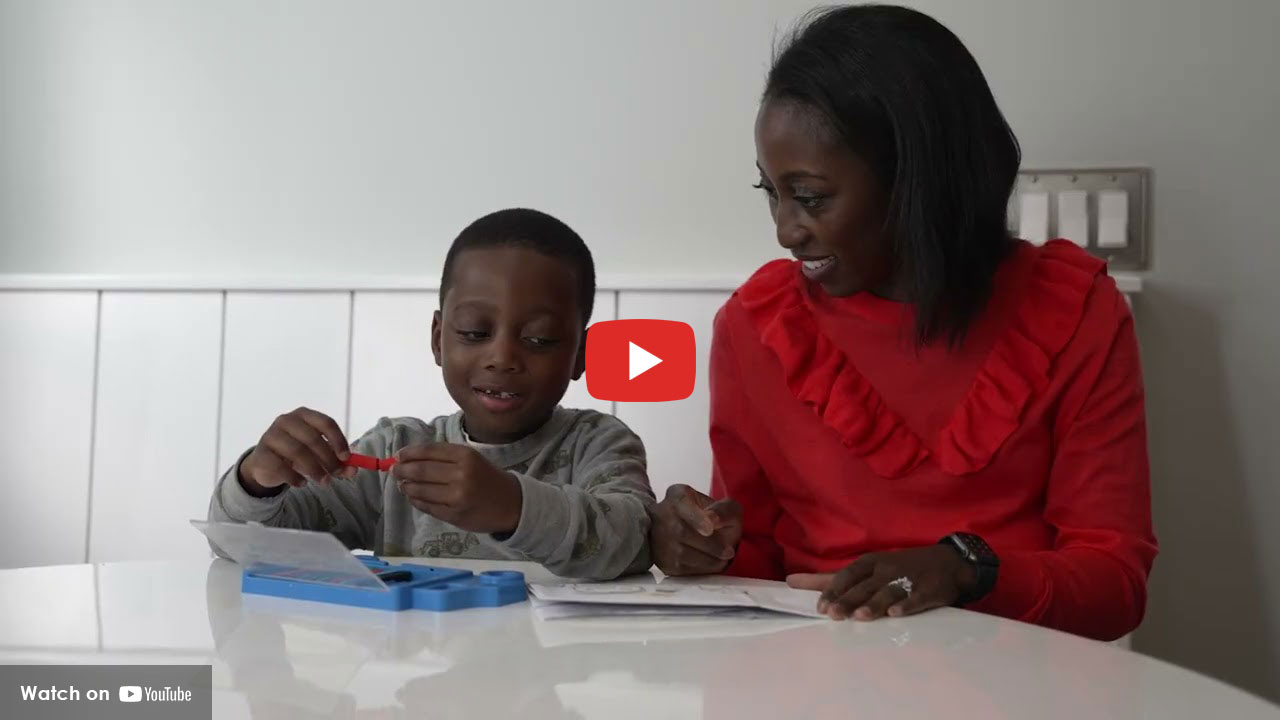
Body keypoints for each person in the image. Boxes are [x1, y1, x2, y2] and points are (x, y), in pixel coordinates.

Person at [649, 4, 1157, 640]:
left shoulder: (1076, 313)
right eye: (770, 194)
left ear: (919, 179)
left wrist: (965, 569)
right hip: (815, 681)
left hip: (1018, 686)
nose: (784, 230)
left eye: (809, 197)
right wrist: (698, 545)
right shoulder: (756, 328)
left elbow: (1115, 587)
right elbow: (753, 562)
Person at [208, 208, 654, 580]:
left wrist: (511, 506)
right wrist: (258, 480)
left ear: (581, 355)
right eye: (475, 332)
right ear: (439, 338)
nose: (502, 357)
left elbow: (634, 539)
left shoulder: (597, 443)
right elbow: (245, 547)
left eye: (539, 339)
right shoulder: (393, 454)